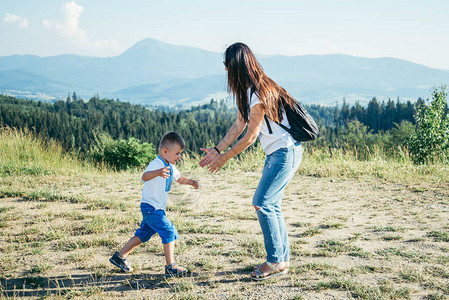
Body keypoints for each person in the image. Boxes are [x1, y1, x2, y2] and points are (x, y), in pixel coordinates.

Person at [199, 42, 303, 281]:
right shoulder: (247, 91)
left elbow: (251, 136)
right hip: (279, 152)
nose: (225, 70)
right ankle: (281, 260)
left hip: (284, 152)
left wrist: (224, 158)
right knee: (271, 204)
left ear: (233, 66)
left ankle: (276, 261)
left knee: (262, 203)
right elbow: (238, 125)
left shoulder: (258, 93)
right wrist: (217, 149)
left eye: (226, 65)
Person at [110, 131, 199, 277]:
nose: (179, 156)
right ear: (165, 151)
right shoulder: (156, 164)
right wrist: (157, 172)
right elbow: (144, 177)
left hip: (155, 208)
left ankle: (120, 257)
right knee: (169, 231)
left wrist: (190, 182)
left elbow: (179, 178)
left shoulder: (170, 166)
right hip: (151, 208)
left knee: (143, 234)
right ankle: (171, 266)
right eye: (177, 153)